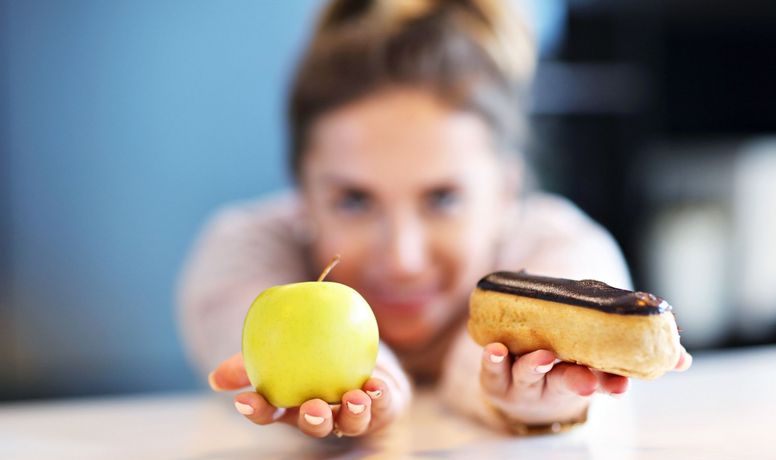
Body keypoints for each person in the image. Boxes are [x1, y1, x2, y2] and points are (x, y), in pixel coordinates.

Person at [178, 0, 691, 439]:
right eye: (353, 200)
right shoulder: (246, 245)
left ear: (506, 192)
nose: (402, 258)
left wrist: (522, 397)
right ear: (302, 196)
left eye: (443, 198)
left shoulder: (557, 243)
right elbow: (231, 322)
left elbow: (512, 355)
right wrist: (361, 376)